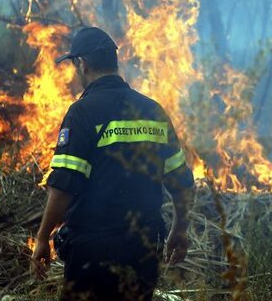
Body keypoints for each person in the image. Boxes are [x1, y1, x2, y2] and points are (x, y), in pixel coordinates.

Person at [30, 26, 195, 300]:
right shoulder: (153, 111)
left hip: (93, 254)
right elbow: (181, 181)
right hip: (145, 250)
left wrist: (42, 237)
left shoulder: (82, 112)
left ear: (81, 64)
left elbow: (63, 188)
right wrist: (180, 227)